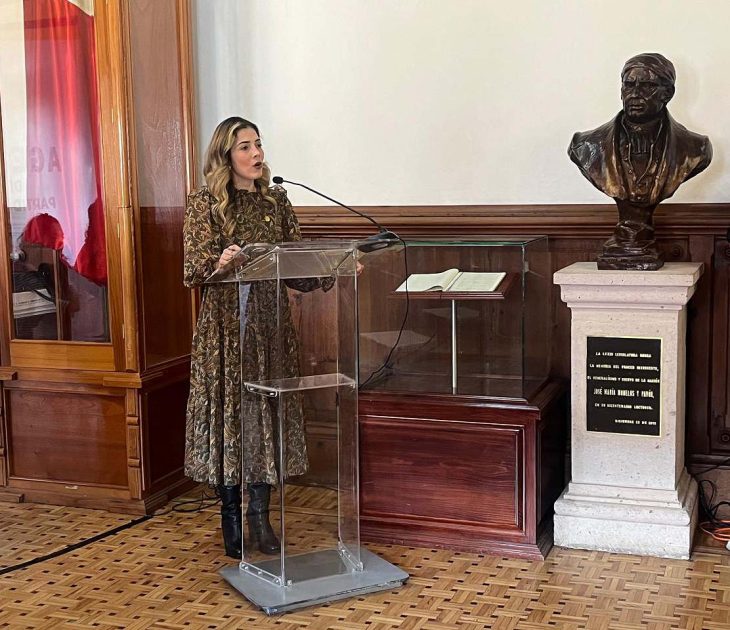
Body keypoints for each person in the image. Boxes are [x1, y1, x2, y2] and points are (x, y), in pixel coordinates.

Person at [183, 116, 329, 559]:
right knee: (233, 417)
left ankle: (260, 519)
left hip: (270, 327)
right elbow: (192, 270)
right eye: (245, 146)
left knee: (266, 416)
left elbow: (296, 267)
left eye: (258, 144)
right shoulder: (205, 202)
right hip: (226, 329)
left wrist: (332, 268)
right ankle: (230, 517)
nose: (256, 153)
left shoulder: (276, 200)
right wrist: (222, 262)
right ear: (225, 155)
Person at [568, 53, 712, 270]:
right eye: (629, 85)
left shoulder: (695, 149)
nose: (635, 94)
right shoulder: (585, 146)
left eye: (647, 86)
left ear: (668, 93)